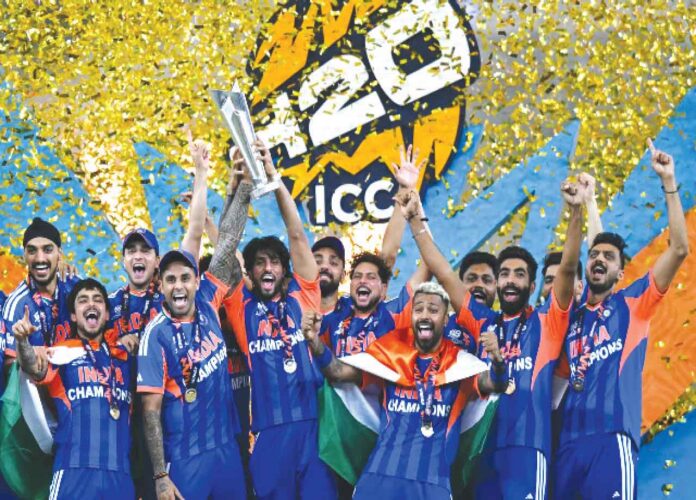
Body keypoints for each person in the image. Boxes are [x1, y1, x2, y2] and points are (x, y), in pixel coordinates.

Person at [396, 177, 585, 499]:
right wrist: (415, 221)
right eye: (505, 274)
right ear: (497, 284)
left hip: (527, 451)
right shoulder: (481, 320)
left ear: (531, 285)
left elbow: (567, 269)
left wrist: (576, 211)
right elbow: (444, 272)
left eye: (519, 274)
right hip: (481, 451)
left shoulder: (547, 322)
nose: (511, 280)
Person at [554, 140, 689, 499]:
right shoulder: (573, 317)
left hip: (611, 440)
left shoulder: (633, 305)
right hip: (566, 448)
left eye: (609, 258)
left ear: (620, 274)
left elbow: (679, 249)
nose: (599, 259)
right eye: (594, 255)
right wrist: (589, 201)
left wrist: (669, 181)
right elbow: (597, 247)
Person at [302, 281, 507, 499]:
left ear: (446, 319)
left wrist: (497, 361)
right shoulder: (390, 355)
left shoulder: (461, 364)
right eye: (418, 309)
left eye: (433, 310)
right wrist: (315, 342)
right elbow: (337, 372)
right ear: (411, 317)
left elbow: (496, 384)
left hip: (432, 486)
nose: (425, 315)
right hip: (378, 480)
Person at [222, 140, 337, 499]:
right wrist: (236, 190)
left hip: (314, 429)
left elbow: (297, 234)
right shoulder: (241, 307)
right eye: (259, 262)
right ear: (251, 273)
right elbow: (225, 247)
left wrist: (274, 178)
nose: (267, 267)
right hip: (269, 435)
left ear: (285, 270)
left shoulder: (304, 295)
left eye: (274, 261)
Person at [138, 135, 249, 500]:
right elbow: (150, 411)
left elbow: (227, 241)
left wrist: (245, 183)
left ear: (197, 280)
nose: (179, 285)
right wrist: (160, 476)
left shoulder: (207, 299)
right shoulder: (155, 334)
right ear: (160, 285)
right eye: (170, 279)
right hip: (185, 459)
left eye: (185, 277)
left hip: (226, 451)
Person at [14, 278, 135, 499]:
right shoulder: (61, 352)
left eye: (97, 299)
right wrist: (22, 341)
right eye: (83, 300)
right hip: (73, 471)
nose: (91, 304)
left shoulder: (124, 357)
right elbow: (33, 367)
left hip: (120, 474)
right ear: (73, 316)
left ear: (107, 315)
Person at [3, 218, 80, 368]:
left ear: (59, 254)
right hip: (38, 379)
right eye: (32, 251)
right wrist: (24, 347)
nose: (40, 259)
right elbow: (10, 368)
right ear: (24, 255)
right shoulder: (16, 305)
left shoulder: (76, 287)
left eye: (48, 250)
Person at [108, 228, 162, 353]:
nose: (138, 256)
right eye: (131, 251)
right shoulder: (109, 304)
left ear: (157, 262)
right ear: (124, 262)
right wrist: (118, 342)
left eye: (145, 251)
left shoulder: (170, 298)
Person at [312, 236, 346, 314]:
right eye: (317, 261)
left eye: (333, 263)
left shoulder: (354, 312)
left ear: (343, 275)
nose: (324, 266)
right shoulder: (291, 310)